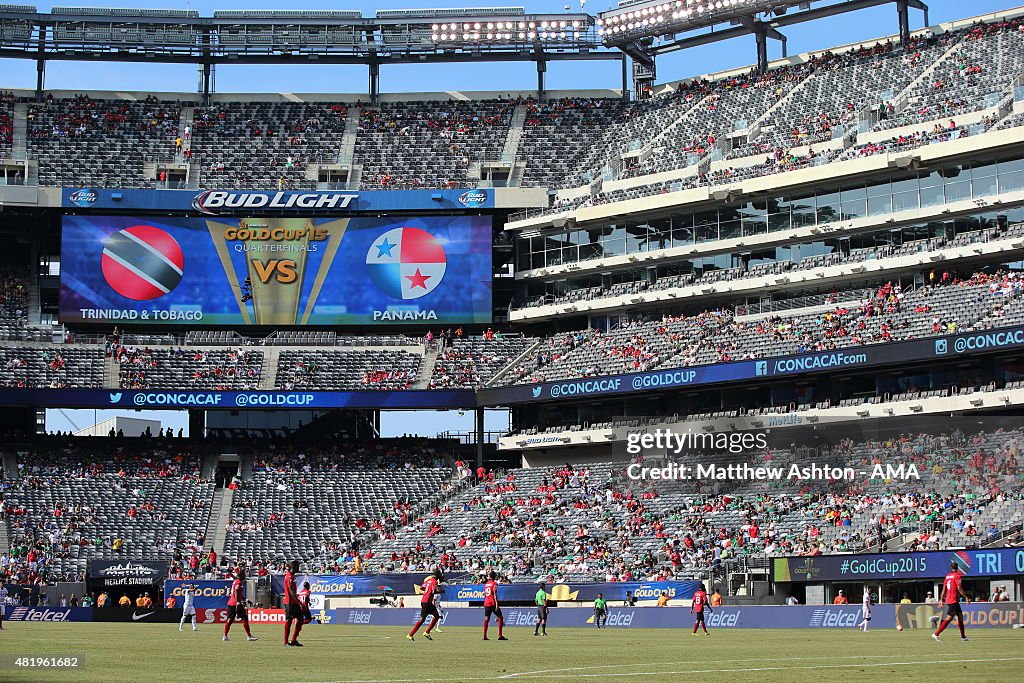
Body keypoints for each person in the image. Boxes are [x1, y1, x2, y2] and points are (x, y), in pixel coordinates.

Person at [933, 561, 970, 642]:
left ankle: (963, 636)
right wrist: (966, 597)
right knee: (949, 617)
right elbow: (959, 588)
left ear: (951, 568)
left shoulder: (947, 577)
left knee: (960, 616)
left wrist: (940, 599)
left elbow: (943, 589)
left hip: (950, 599)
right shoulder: (957, 576)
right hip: (953, 599)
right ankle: (936, 634)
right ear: (957, 568)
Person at [223, 566, 258, 642]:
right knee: (244, 618)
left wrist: (246, 599)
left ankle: (225, 636)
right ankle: (249, 636)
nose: (245, 576)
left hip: (231, 603)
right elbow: (235, 591)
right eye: (244, 575)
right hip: (235, 603)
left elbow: (238, 594)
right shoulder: (238, 582)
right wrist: (237, 602)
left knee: (230, 620)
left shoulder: (236, 581)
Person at [408, 568, 443, 641]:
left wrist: (427, 590)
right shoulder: (434, 582)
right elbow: (434, 591)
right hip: (427, 602)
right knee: (422, 619)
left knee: (436, 616)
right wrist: (441, 590)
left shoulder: (428, 581)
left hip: (425, 601)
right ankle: (411, 635)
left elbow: (422, 587)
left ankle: (426, 632)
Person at [283, 560, 303, 647]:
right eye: (297, 566)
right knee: (289, 621)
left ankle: (294, 640)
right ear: (293, 567)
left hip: (294, 602)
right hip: (290, 602)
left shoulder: (292, 576)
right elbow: (291, 591)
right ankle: (285, 642)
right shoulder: (289, 577)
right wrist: (299, 602)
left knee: (300, 619)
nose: (298, 568)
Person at [481, 571, 507, 641]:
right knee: (500, 617)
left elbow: (485, 594)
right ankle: (500, 635)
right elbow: (495, 594)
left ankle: (484, 635)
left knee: (486, 619)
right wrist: (497, 604)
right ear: (494, 576)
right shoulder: (494, 584)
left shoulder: (486, 584)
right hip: (492, 602)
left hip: (486, 602)